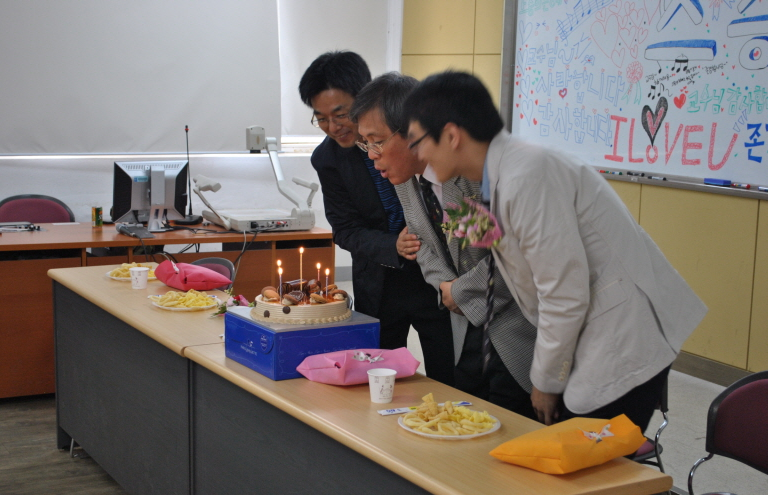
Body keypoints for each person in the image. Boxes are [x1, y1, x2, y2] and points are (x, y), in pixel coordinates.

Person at [402, 70, 708, 430]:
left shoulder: (526, 175)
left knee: (587, 455)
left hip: (621, 339)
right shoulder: (497, 173)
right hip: (592, 335)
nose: (416, 153)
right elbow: (513, 254)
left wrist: (545, 381)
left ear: (452, 135)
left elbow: (563, 292)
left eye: (416, 141)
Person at [349, 72, 538, 418]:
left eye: (377, 142)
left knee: (507, 422)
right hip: (465, 323)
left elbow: (507, 257)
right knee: (465, 414)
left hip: (512, 325)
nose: (372, 156)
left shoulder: (470, 176)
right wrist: (446, 287)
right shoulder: (404, 177)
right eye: (365, 144)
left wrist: (460, 292)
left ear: (413, 130)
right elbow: (420, 242)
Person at [298, 52, 455, 385]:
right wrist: (392, 245)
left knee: (449, 373)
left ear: (364, 99)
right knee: (380, 379)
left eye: (340, 114)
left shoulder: (411, 141)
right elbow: (345, 229)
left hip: (438, 277)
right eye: (321, 118)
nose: (333, 127)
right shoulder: (327, 159)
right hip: (381, 280)